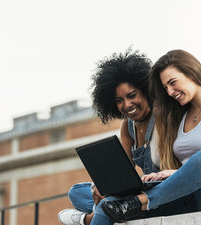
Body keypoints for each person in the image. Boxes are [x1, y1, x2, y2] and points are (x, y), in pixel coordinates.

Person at [96, 49, 201, 224]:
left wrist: (177, 173)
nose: (171, 91)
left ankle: (140, 202)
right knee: (96, 198)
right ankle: (97, 214)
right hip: (186, 193)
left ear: (191, 73)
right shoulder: (180, 113)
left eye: (173, 83)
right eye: (165, 87)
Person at [58, 48, 192, 225]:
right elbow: (124, 172)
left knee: (109, 204)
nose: (126, 105)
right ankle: (99, 210)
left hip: (164, 193)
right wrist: (103, 185)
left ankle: (89, 218)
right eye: (119, 100)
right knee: (77, 191)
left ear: (146, 90)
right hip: (140, 190)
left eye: (131, 95)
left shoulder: (165, 117)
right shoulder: (127, 126)